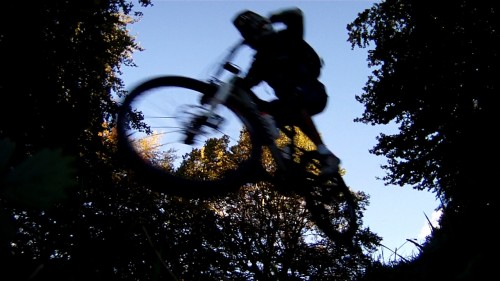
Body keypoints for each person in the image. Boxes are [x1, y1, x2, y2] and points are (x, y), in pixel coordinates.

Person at [232, 7, 341, 175]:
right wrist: (217, 95)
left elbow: (296, 16)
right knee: (258, 116)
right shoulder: (261, 61)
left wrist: (274, 17)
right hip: (286, 102)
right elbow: (247, 83)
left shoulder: (286, 38)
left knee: (293, 100)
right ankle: (269, 161)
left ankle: (326, 154)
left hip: (311, 92)